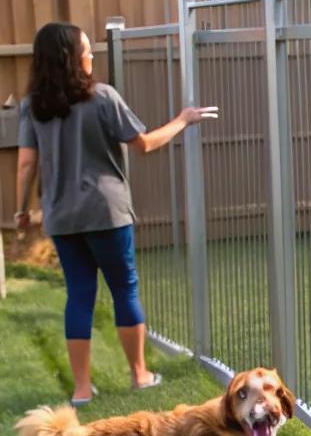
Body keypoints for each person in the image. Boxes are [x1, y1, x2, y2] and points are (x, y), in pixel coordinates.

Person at [14, 21, 217, 406]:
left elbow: (26, 165)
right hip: (107, 212)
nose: (91, 56)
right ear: (72, 59)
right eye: (86, 50)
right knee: (124, 289)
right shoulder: (102, 98)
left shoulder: (32, 108)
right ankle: (139, 375)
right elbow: (144, 145)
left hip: (61, 216)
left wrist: (22, 210)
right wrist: (183, 120)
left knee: (79, 295)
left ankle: (80, 389)